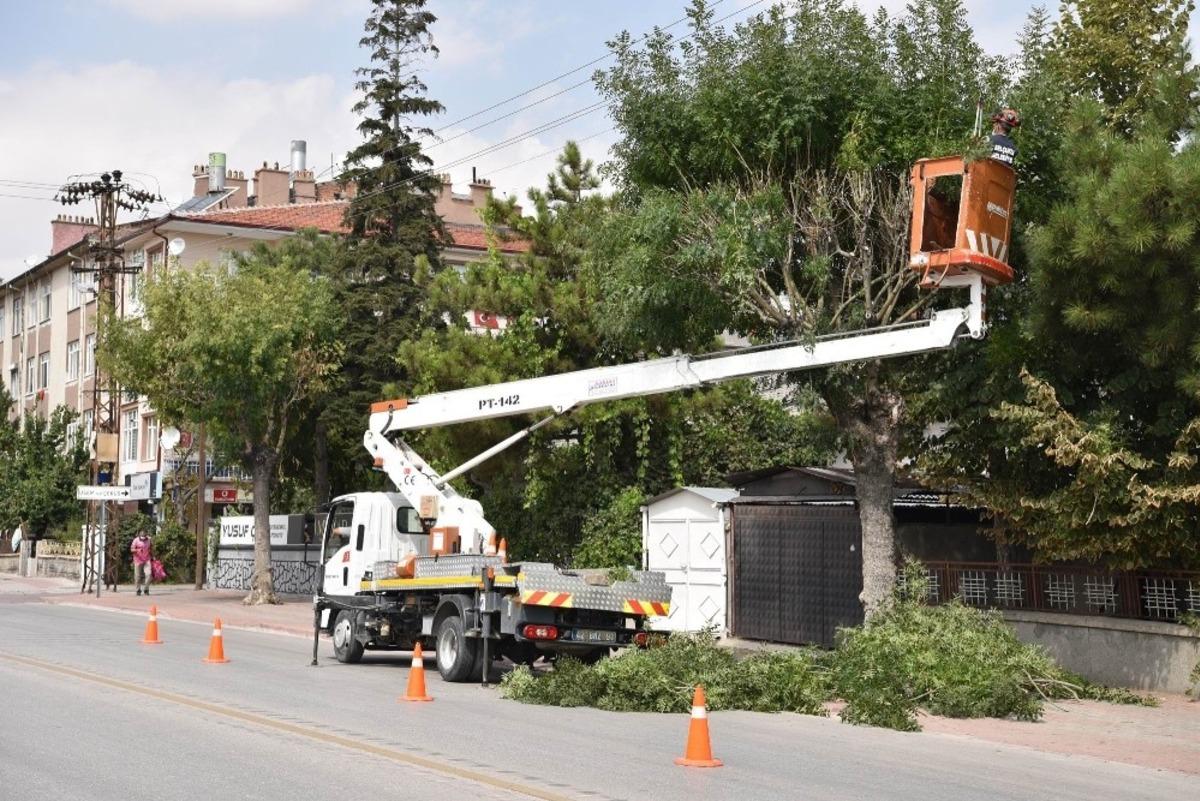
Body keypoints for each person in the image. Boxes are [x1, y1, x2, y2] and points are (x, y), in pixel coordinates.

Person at [130, 528, 154, 596]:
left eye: (144, 536)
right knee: (137, 576)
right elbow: (131, 549)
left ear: (146, 534)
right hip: (138, 560)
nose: (143, 538)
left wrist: (153, 556)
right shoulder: (136, 540)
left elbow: (151, 548)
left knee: (149, 574)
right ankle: (138, 590)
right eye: (141, 536)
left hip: (147, 559)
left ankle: (146, 589)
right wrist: (137, 550)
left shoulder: (149, 540)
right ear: (139, 534)